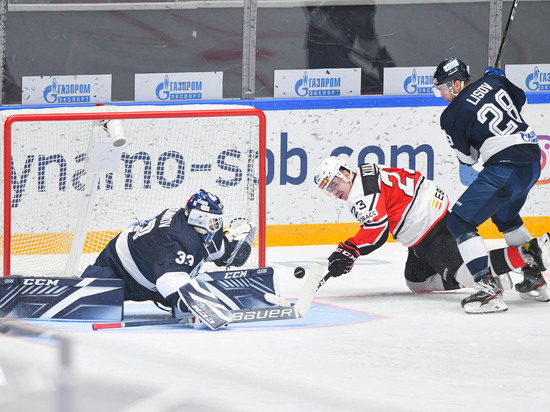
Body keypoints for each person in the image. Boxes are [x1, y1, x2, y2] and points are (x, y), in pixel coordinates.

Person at [314, 156, 550, 302]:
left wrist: (349, 249)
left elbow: (377, 230)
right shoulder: (367, 170)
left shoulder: (359, 193)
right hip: (427, 220)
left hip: (427, 227)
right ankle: (508, 267)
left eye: (334, 184)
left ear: (346, 173)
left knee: (467, 275)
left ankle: (528, 252)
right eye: (329, 190)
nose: (335, 192)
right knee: (416, 281)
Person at [433, 57, 547, 313]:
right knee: (506, 217)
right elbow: (521, 100)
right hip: (531, 161)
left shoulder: (451, 115)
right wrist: (499, 79)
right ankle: (535, 278)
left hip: (505, 167)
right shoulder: (494, 81)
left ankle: (488, 290)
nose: (442, 95)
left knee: (459, 222)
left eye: (444, 88)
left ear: (458, 83)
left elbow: (469, 158)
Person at [81, 188, 261, 329]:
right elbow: (169, 280)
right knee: (103, 292)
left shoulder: (191, 223)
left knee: (200, 257)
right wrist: (198, 306)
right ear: (200, 218)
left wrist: (228, 251)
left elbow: (207, 248)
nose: (217, 226)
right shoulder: (174, 240)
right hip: (120, 267)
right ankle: (87, 283)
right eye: (214, 222)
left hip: (147, 262)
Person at [306, 5, 395, 94]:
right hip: (324, 60)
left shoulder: (365, 6)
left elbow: (367, 39)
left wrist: (381, 60)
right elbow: (316, 15)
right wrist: (334, 32)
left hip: (341, 59)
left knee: (374, 88)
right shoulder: (330, 7)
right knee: (371, 89)